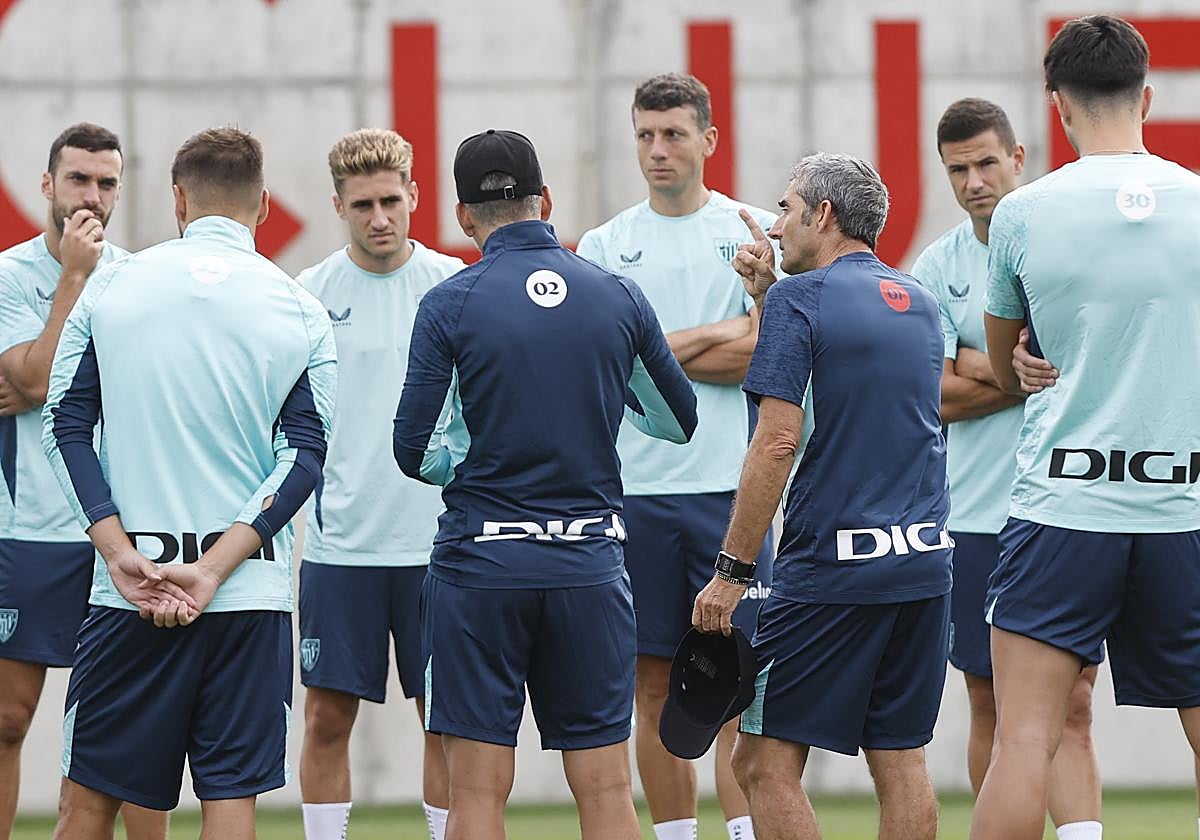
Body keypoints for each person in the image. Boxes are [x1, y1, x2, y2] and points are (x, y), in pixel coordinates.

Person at [393, 128, 697, 840]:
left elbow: (412, 449)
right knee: (606, 786)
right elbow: (678, 420)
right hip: (588, 565)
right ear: (546, 201)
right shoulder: (614, 294)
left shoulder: (450, 303)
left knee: (476, 791)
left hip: (482, 564)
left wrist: (462, 466)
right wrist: (596, 401)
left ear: (464, 216)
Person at [40, 126, 336, 840]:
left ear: (178, 198)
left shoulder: (112, 282)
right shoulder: (300, 308)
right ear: (263, 204)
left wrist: (117, 552)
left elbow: (62, 425)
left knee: (87, 806)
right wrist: (208, 571)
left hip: (127, 595)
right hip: (247, 598)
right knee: (229, 804)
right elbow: (303, 460)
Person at [971, 15, 1200, 840]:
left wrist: (1034, 361)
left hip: (1063, 508)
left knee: (1023, 738)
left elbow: (1005, 367)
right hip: (1186, 507)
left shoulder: (1024, 215)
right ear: (1148, 95)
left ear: (1056, 106)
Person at [693, 152, 951, 840]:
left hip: (831, 568)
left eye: (786, 209)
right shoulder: (917, 301)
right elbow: (848, 356)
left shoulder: (798, 301)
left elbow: (777, 441)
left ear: (824, 215)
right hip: (924, 563)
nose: (776, 227)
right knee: (899, 758)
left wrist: (731, 574)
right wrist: (765, 295)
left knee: (760, 761)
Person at [576, 72, 774, 840]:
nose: (657, 150)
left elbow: (766, 354)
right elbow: (605, 363)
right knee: (653, 686)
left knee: (739, 689)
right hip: (637, 495)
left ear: (708, 141)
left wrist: (651, 348)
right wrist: (717, 336)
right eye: (645, 135)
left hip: (735, 492)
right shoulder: (603, 246)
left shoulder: (754, 231)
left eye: (673, 134)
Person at [910, 98, 1102, 840]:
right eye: (958, 168)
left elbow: (1090, 364)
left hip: (1068, 506)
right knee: (989, 703)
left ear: (1020, 157)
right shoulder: (938, 265)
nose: (974, 181)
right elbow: (924, 396)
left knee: (1074, 703)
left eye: (988, 162)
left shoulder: (1070, 244)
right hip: (973, 516)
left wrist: (974, 362)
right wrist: (1012, 372)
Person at [0, 123, 167, 840]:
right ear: (47, 185)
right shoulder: (10, 275)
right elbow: (34, 380)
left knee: (130, 730)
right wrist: (72, 276)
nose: (90, 197)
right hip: (28, 530)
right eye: (77, 180)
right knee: (7, 720)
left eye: (105, 184)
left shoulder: (140, 278)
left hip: (120, 531)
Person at [296, 128, 461, 840]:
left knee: (445, 720)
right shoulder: (306, 296)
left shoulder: (454, 287)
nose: (380, 218)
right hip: (342, 549)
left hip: (439, 547)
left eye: (391, 200)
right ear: (339, 205)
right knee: (327, 718)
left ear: (415, 196)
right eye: (362, 204)